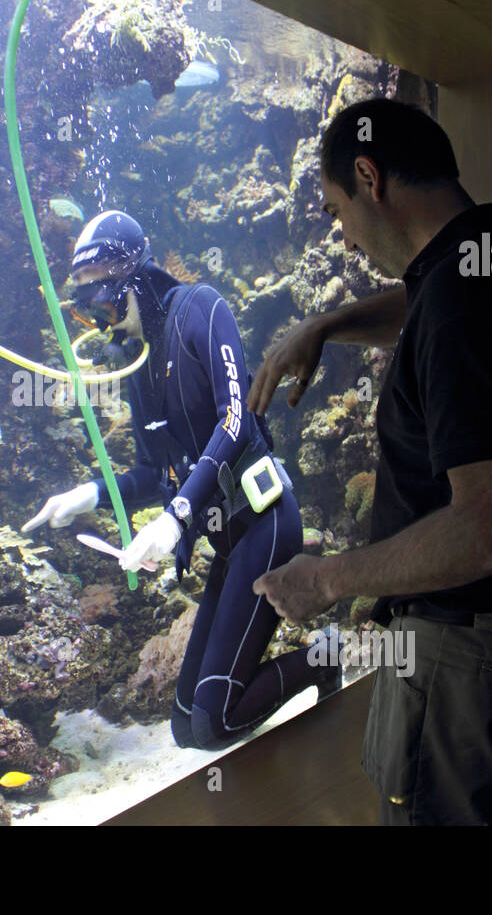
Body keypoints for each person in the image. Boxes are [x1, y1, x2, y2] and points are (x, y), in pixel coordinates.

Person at [247, 99, 492, 824]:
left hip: (472, 672)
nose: (344, 238)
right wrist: (328, 324)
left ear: (368, 175)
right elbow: (431, 301)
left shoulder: (460, 298)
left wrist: (326, 581)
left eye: (335, 209)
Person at [23, 210, 341, 751]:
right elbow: (154, 473)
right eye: (82, 309)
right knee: (184, 725)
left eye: (99, 300)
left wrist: (176, 519)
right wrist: (92, 494)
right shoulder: (138, 366)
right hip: (228, 544)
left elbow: (236, 420)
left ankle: (323, 660)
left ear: (132, 278)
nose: (98, 321)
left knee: (215, 723)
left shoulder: (201, 308)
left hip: (265, 525)